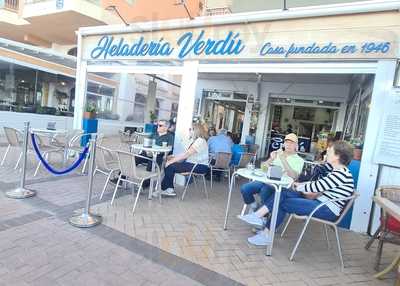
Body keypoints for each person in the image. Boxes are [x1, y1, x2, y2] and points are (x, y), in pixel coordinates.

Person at [239, 141, 355, 246]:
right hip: (321, 203)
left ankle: (265, 231)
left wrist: (297, 185)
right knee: (283, 193)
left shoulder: (340, 174)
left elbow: (315, 187)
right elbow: (317, 184)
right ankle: (259, 219)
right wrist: (298, 185)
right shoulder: (339, 171)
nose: (327, 152)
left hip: (327, 209)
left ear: (337, 156)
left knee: (283, 202)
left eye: (330, 151)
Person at [240, 133, 304, 213]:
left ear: (296, 146)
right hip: (266, 180)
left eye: (292, 143)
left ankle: (263, 215)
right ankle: (255, 207)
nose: (288, 145)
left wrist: (283, 159)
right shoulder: (277, 154)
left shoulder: (299, 160)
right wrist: (271, 158)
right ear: (284, 144)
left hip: (281, 185)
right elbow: (263, 169)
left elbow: (294, 176)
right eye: (287, 142)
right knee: (245, 188)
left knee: (265, 190)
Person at [157, 123, 209, 197]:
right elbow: (184, 153)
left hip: (200, 166)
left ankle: (167, 189)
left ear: (196, 131)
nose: (189, 131)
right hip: (192, 164)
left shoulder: (200, 141)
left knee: (170, 166)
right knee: (169, 164)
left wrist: (172, 161)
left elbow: (186, 155)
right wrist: (173, 157)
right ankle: (165, 188)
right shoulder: (194, 141)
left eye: (190, 129)